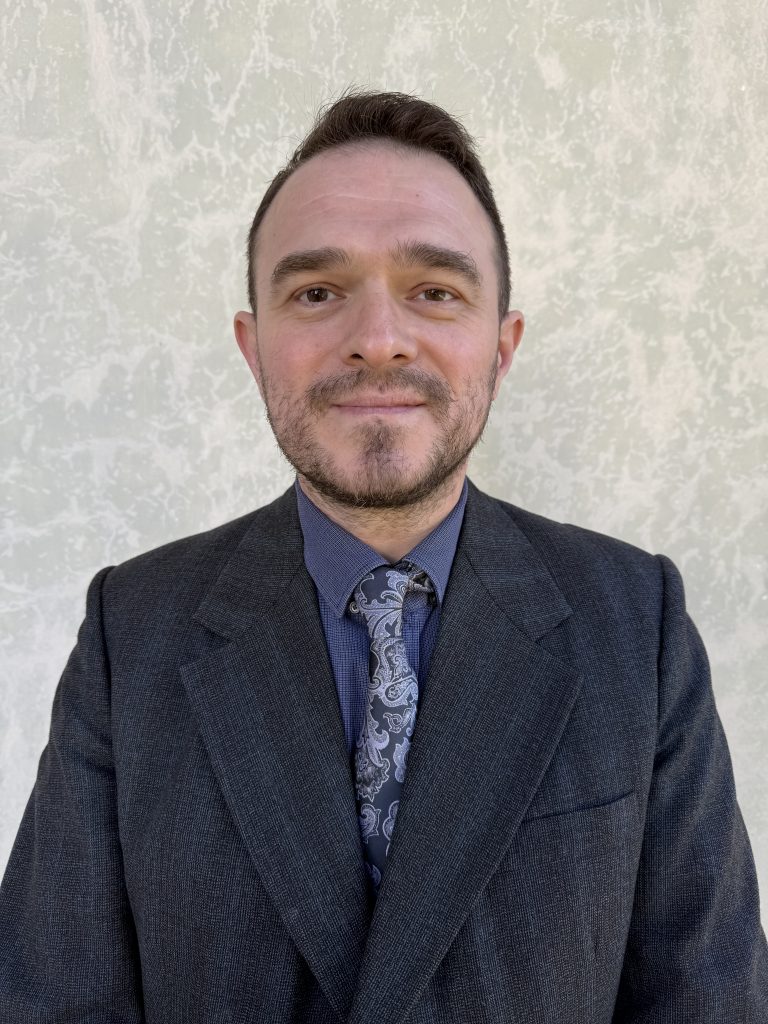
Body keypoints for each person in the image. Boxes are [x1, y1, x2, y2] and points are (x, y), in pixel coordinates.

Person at [0, 90, 766, 1023]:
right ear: (253, 346)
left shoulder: (636, 623)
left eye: (435, 291)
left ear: (502, 347)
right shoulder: (132, 631)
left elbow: (709, 1001)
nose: (376, 340)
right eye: (317, 293)